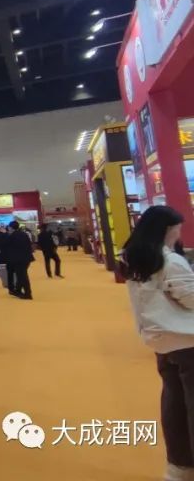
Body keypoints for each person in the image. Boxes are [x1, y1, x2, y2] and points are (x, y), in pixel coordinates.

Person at [122, 206, 194, 481]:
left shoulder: (134, 259)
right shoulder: (170, 261)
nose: (179, 233)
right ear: (167, 229)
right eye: (177, 228)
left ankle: (179, 467)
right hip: (188, 340)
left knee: (174, 404)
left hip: (161, 340)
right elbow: (190, 298)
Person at [5, 221, 35, 300]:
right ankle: (18, 291)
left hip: (18, 259)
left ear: (11, 227)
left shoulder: (12, 236)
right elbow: (29, 245)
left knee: (22, 276)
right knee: (21, 275)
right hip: (26, 258)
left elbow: (8, 247)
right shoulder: (24, 234)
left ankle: (28, 294)